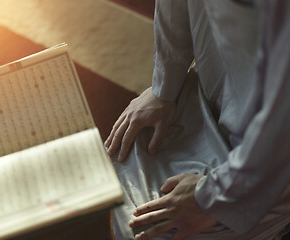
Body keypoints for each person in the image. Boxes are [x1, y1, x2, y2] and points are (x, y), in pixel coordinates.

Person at [105, 0, 290, 239]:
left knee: (145, 230)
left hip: (269, 162)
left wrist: (213, 195)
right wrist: (164, 89)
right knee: (115, 159)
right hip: (213, 98)